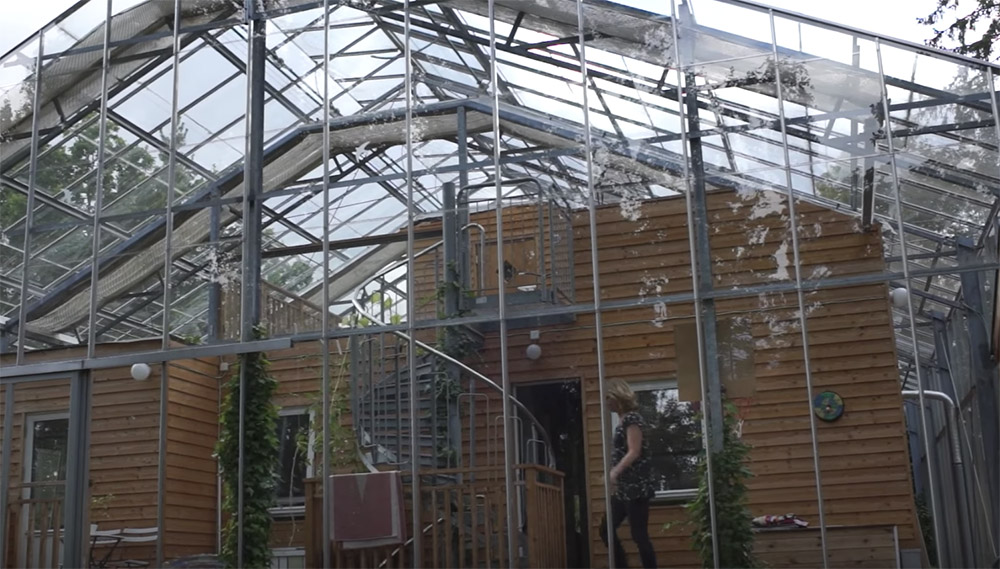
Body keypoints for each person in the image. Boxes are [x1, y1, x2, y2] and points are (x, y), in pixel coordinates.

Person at [600, 378, 657, 569]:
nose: (606, 403)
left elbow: (634, 451)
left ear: (617, 398)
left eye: (608, 399)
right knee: (606, 529)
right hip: (624, 489)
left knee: (639, 535)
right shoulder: (622, 421)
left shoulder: (632, 419)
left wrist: (615, 471)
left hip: (637, 487)